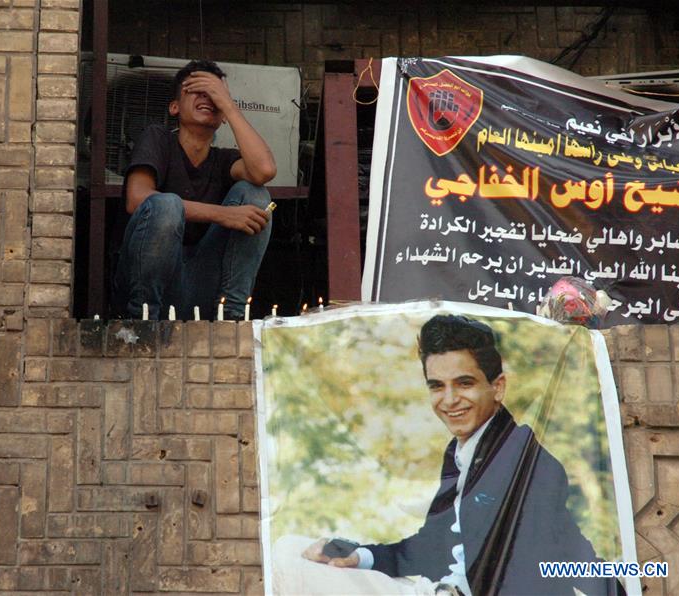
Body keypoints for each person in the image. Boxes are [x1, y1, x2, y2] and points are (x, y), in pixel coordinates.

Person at [298, 315, 622, 596]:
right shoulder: (460, 450)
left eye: (464, 383)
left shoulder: (526, 458)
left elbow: (563, 554)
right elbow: (435, 545)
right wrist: (362, 556)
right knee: (294, 552)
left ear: (498, 388)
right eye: (437, 386)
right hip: (439, 587)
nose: (450, 400)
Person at [113, 59, 276, 320]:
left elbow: (264, 171)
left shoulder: (224, 160)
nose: (207, 97)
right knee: (166, 205)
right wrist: (222, 214)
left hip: (201, 286)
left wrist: (229, 106)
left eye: (213, 93)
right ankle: (142, 322)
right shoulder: (158, 138)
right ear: (174, 106)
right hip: (149, 288)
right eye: (196, 90)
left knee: (255, 195)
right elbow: (137, 199)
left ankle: (232, 316)